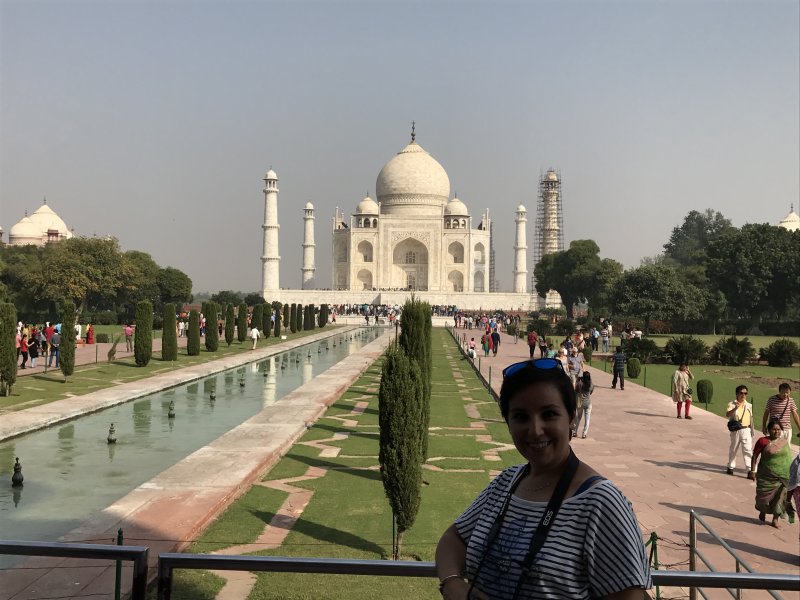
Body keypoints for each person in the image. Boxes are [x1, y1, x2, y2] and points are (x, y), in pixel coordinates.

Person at [435, 357, 651, 599]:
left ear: (571, 417)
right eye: (521, 417)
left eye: (548, 414)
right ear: (508, 423)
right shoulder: (507, 482)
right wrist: (452, 584)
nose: (535, 430)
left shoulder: (600, 502)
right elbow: (453, 538)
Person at [751, 418, 796, 528]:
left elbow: (788, 458)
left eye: (779, 429)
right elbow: (755, 456)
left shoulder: (784, 442)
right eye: (774, 429)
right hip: (766, 475)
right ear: (768, 430)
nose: (776, 432)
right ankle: (763, 511)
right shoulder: (762, 441)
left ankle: (775, 519)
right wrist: (752, 471)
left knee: (781, 497)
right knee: (763, 498)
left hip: (784, 476)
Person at [726, 385, 755, 478]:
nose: (743, 395)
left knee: (747, 450)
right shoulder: (732, 404)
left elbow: (751, 419)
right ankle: (730, 466)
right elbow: (727, 414)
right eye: (741, 393)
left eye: (745, 393)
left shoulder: (749, 405)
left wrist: (752, 430)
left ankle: (750, 470)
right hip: (736, 430)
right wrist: (735, 408)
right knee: (733, 449)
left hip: (746, 429)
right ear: (737, 394)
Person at [573, 371, 595, 439]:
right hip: (587, 403)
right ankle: (584, 434)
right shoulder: (590, 384)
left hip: (580, 402)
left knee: (578, 418)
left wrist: (578, 380)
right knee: (587, 419)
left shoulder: (580, 383)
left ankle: (575, 432)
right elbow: (591, 391)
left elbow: (575, 391)